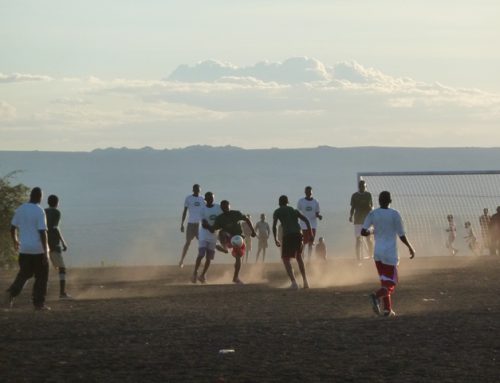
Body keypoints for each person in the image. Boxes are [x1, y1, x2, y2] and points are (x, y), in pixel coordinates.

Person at [361, 191, 415, 317]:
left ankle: (387, 310)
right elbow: (401, 235)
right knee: (392, 282)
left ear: (379, 201)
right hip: (390, 254)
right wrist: (410, 247)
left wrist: (372, 231)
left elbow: (363, 232)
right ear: (390, 201)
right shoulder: (395, 214)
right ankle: (376, 296)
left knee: (384, 282)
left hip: (378, 253)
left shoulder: (373, 213)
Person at [5, 187, 50, 311]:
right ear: (40, 197)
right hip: (38, 250)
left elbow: (12, 228)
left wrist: (15, 241)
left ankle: (11, 293)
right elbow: (42, 232)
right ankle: (38, 303)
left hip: (24, 250)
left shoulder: (20, 209)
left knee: (24, 274)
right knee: (42, 277)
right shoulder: (39, 211)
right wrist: (46, 251)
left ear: (30, 195)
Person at [207, 200, 256, 284]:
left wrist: (253, 231)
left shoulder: (236, 213)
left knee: (238, 257)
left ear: (230, 206)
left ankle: (235, 277)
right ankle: (225, 248)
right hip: (228, 238)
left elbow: (247, 219)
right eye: (223, 207)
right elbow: (213, 229)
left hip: (238, 238)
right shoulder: (220, 218)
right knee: (222, 232)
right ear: (221, 208)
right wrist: (206, 225)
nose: (225, 208)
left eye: (226, 206)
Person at [272, 195, 312, 290]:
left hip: (288, 235)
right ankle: (305, 281)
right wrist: (310, 233)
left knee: (286, 259)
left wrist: (275, 239)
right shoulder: (294, 210)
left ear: (279, 203)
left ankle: (294, 283)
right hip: (298, 234)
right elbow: (306, 220)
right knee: (299, 257)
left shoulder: (277, 211)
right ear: (287, 202)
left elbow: (274, 226)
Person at [191, 192, 222, 284]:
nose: (210, 200)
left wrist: (217, 229)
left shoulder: (218, 207)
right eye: (208, 198)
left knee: (209, 257)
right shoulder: (202, 209)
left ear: (213, 198)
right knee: (201, 254)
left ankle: (203, 275)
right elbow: (204, 223)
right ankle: (195, 272)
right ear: (205, 199)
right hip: (204, 235)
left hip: (213, 236)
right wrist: (211, 228)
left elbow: (222, 219)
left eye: (211, 198)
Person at [45, 194, 71, 299]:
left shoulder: (44, 211)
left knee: (41, 270)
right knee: (62, 268)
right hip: (53, 244)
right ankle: (62, 293)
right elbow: (55, 228)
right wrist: (63, 242)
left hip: (43, 244)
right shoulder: (56, 212)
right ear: (57, 203)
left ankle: (38, 293)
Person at [179, 184, 205, 268]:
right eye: (195, 189)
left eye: (198, 189)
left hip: (200, 224)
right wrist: (182, 224)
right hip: (190, 224)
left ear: (200, 190)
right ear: (193, 190)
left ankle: (199, 261)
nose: (197, 190)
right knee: (188, 243)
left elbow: (206, 210)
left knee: (201, 243)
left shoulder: (202, 199)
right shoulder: (188, 198)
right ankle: (181, 260)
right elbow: (185, 211)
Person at [349, 180, 373, 262]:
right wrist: (351, 216)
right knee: (358, 240)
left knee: (369, 239)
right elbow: (352, 208)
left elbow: (371, 207)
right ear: (359, 187)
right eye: (361, 186)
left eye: (364, 186)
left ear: (366, 186)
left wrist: (372, 215)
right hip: (358, 220)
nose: (362, 187)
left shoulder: (368, 195)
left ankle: (371, 256)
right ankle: (358, 259)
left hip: (367, 220)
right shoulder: (354, 196)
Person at [297, 186, 322, 260]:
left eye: (310, 191)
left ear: (312, 192)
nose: (309, 193)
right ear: (305, 192)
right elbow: (298, 212)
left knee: (311, 242)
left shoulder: (315, 201)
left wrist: (319, 216)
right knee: (303, 242)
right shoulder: (301, 201)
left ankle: (309, 258)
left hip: (312, 225)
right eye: (307, 191)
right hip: (303, 225)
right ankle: (302, 257)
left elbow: (317, 213)